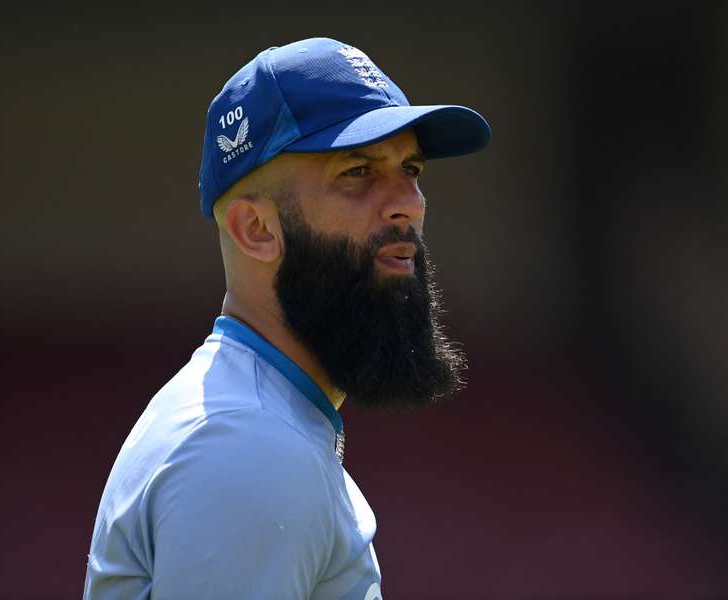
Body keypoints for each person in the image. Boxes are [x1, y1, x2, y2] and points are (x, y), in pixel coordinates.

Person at [83, 37, 490, 599]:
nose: (409, 203)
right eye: (357, 172)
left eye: (411, 168)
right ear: (257, 230)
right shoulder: (246, 444)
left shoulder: (255, 421)